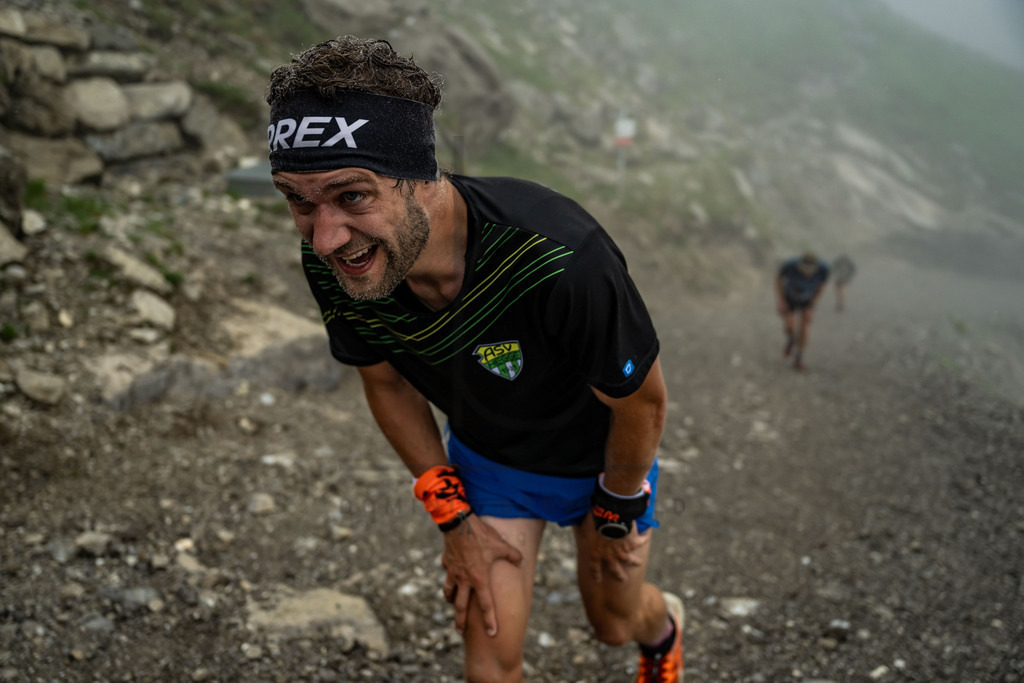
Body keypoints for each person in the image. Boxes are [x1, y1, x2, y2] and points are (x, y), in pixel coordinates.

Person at [265, 36, 684, 682]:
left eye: (352, 195)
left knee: (613, 622)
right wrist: (452, 515)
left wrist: (620, 505)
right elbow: (387, 381)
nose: (325, 236)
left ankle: (661, 635)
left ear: (421, 180)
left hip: (600, 464)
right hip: (492, 464)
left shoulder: (559, 255)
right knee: (488, 661)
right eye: (298, 199)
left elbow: (642, 400)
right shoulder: (339, 262)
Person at [775, 251, 830, 371]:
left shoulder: (824, 269)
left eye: (809, 271)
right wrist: (781, 300)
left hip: (808, 299)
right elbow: (778, 278)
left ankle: (799, 356)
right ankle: (791, 339)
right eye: (803, 270)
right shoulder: (789, 265)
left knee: (805, 324)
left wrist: (812, 305)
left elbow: (821, 286)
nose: (806, 273)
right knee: (789, 326)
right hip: (789, 297)